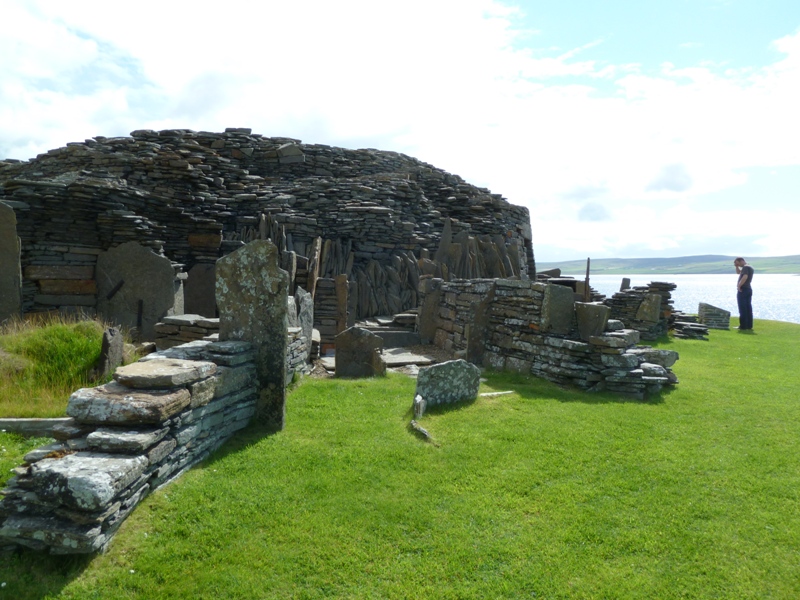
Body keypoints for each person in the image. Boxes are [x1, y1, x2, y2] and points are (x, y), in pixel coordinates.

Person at [734, 257, 754, 330]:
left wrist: (739, 286)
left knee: (742, 308)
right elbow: (739, 273)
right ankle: (749, 325)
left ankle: (743, 326)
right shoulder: (749, 267)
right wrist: (736, 267)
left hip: (743, 289)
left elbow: (745, 277)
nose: (737, 265)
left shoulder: (745, 268)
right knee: (748, 307)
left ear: (741, 261)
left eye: (737, 263)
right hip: (748, 289)